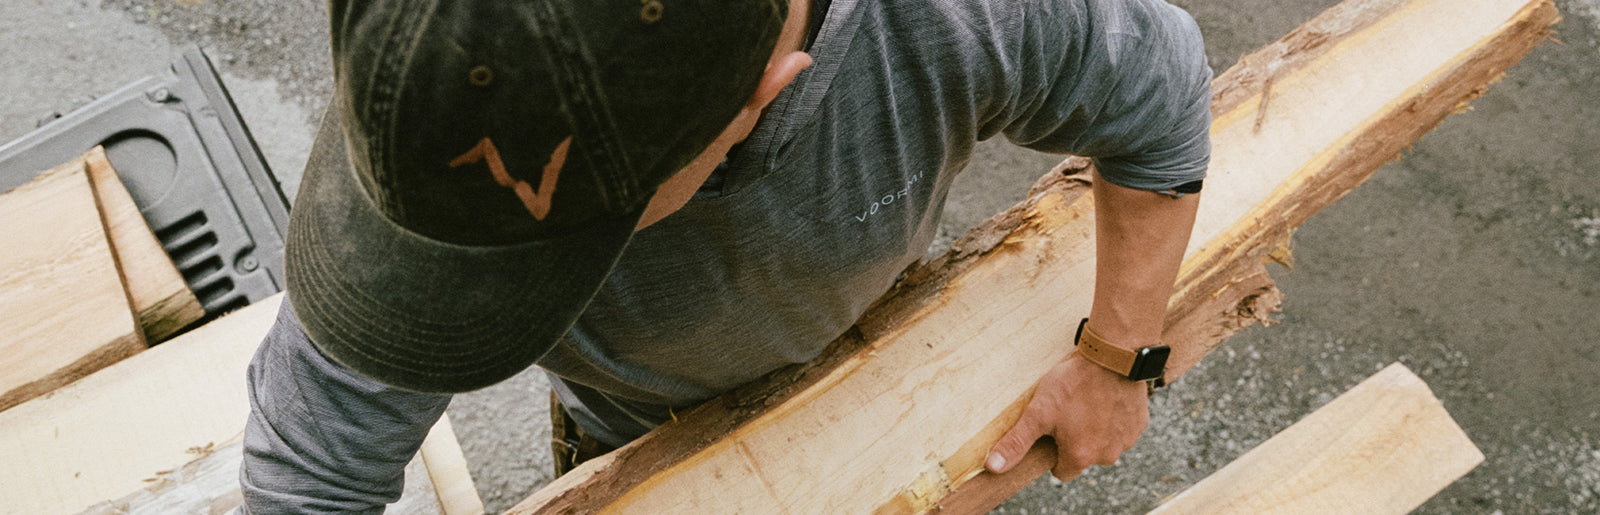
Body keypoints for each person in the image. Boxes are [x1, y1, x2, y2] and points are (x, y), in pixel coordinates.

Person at [239, 0, 1211, 511]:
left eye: (578, 241)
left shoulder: (956, 20)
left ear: (763, 93)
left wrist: (1120, 358)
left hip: (889, 375)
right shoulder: (441, 60)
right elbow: (312, 460)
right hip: (631, 433)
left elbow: (1158, 94)